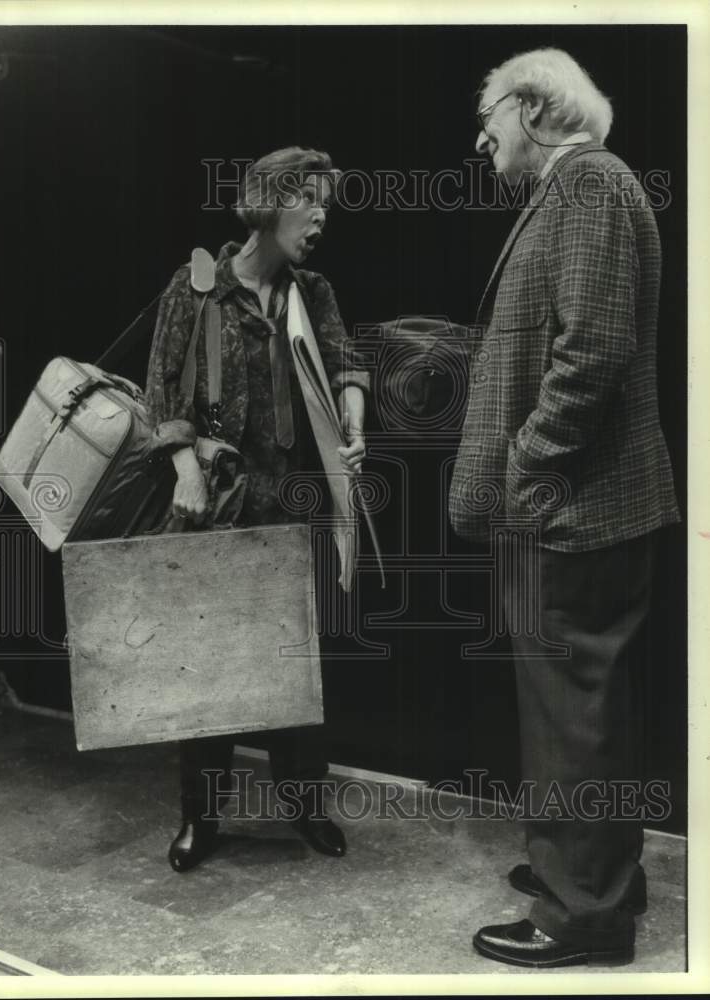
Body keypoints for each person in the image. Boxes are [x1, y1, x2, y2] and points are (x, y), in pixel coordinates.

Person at [447, 49, 680, 967]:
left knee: (572, 716)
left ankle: (585, 915)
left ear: (536, 106)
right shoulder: (581, 189)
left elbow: (594, 353)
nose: (482, 137)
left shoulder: (588, 187)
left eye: (491, 115)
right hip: (581, 507)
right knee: (582, 711)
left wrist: (527, 467)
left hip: (572, 509)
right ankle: (598, 870)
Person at [144, 147, 369, 873]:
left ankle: (304, 806)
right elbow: (162, 394)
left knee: (295, 670)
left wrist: (354, 420)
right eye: (314, 202)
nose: (323, 218)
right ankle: (199, 819)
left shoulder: (314, 293)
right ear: (273, 204)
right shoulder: (197, 288)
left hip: (290, 506)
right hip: (216, 503)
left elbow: (345, 365)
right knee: (209, 671)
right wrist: (183, 469)